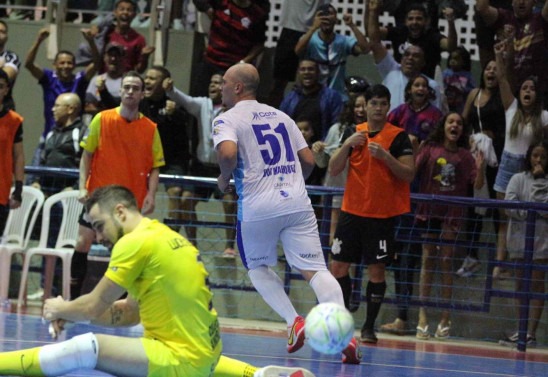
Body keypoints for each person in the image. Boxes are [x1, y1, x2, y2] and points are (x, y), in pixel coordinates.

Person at [0, 185, 316, 377]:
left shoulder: (133, 243)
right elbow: (130, 313)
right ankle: (256, 373)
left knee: (86, 348)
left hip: (180, 360)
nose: (97, 236)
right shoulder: (165, 236)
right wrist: (72, 314)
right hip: (206, 356)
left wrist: (59, 308)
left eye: (99, 226)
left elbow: (95, 303)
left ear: (120, 211)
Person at [212, 63, 361, 364]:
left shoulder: (225, 119)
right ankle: (345, 335)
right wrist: (292, 181)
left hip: (257, 204)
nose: (221, 88)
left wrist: (224, 178)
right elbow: (308, 160)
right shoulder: (283, 116)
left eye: (225, 83)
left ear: (238, 88)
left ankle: (294, 321)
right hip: (296, 201)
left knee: (257, 267)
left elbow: (227, 154)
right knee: (316, 270)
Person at [328, 84, 415, 344]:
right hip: (351, 212)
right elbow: (333, 169)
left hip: (381, 216)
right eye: (373, 103)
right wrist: (346, 146)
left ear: (388, 107)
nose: (377, 108)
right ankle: (344, 320)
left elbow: (409, 174)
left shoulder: (398, 137)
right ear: (364, 106)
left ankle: (368, 327)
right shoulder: (352, 132)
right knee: (338, 266)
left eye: (382, 104)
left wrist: (387, 157)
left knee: (377, 271)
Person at [71, 71, 165, 299]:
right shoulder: (101, 119)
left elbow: (155, 166)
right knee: (82, 242)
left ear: (143, 94)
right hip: (99, 197)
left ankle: (120, 306)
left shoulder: (150, 128)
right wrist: (83, 186)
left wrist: (151, 195)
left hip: (129, 202)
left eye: (135, 88)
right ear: (120, 91)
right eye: (126, 87)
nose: (130, 91)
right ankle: (72, 298)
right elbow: (87, 155)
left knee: (124, 253)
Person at [378, 75, 443, 335]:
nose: (419, 89)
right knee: (390, 258)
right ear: (409, 89)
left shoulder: (436, 116)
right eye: (415, 85)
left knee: (409, 259)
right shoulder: (398, 113)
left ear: (429, 92)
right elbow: (384, 140)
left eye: (424, 86)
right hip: (392, 193)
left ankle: (406, 317)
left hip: (418, 198)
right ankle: (399, 316)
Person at [413, 112, 483, 340]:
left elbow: (477, 183)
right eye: (451, 122)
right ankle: (422, 317)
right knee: (427, 260)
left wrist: (480, 167)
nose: (455, 126)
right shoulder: (430, 149)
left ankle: (445, 318)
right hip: (430, 212)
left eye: (459, 123)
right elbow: (412, 171)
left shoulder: (465, 156)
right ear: (443, 126)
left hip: (452, 216)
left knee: (445, 262)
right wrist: (415, 150)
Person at [164, 73, 238, 258]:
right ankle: (192, 245)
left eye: (218, 83)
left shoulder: (236, 109)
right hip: (202, 167)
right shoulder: (202, 105)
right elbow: (184, 99)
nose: (213, 86)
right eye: (211, 82)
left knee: (230, 203)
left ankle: (229, 246)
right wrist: (170, 89)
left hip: (225, 168)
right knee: (185, 200)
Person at [492, 40, 548, 279]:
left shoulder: (544, 117)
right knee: (505, 219)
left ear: (537, 94)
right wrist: (498, 56)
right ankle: (500, 263)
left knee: (525, 219)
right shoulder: (511, 108)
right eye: (524, 88)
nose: (527, 91)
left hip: (528, 168)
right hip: (507, 165)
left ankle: (522, 262)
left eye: (531, 89)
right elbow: (503, 79)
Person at [458, 59, 506, 278]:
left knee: (497, 207)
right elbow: (463, 120)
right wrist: (469, 139)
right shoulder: (474, 94)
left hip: (497, 157)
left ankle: (501, 260)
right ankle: (471, 256)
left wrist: (495, 136)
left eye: (496, 69)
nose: (491, 72)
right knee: (474, 206)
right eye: (488, 68)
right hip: (476, 155)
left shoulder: (505, 97)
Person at [25, 27, 99, 164]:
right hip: (48, 137)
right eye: (62, 62)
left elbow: (97, 64)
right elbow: (28, 64)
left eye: (70, 63)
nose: (66, 66)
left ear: (75, 65)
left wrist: (91, 42)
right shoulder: (48, 78)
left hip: (73, 140)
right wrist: (39, 40)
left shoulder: (80, 80)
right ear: (54, 65)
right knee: (33, 179)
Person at [500, 141, 548, 347]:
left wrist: (538, 181)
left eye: (543, 157)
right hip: (519, 241)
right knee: (520, 285)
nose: (538, 160)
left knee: (537, 286)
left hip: (541, 242)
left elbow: (544, 209)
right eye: (535, 155)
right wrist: (528, 213)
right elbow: (509, 205)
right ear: (529, 156)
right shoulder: (517, 179)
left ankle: (531, 333)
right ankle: (521, 330)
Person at [140, 66, 191, 234]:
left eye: (152, 79)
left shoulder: (174, 105)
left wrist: (173, 114)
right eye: (146, 77)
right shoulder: (139, 103)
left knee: (176, 191)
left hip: (171, 160)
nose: (147, 81)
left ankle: (171, 234)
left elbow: (186, 124)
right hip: (146, 159)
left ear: (164, 84)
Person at [312, 93, 367, 245]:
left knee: (356, 240)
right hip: (336, 191)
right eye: (357, 106)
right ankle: (333, 269)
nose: (361, 110)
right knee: (334, 239)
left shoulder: (376, 132)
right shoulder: (336, 130)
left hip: (362, 195)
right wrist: (317, 152)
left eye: (364, 106)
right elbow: (323, 164)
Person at [367, 0, 441, 111]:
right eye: (406, 54)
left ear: (423, 62)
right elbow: (374, 41)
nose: (410, 58)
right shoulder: (391, 70)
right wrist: (373, 12)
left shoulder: (431, 85)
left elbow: (435, 117)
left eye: (415, 56)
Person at [476, 0, 548, 107]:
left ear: (534, 2)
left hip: (535, 93)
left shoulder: (541, 21)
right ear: (512, 1)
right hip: (505, 93)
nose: (522, 2)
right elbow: (482, 8)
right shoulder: (503, 18)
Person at [191, 0, 269, 97]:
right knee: (199, 100)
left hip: (232, 69)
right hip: (210, 62)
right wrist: (208, 9)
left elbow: (260, 44)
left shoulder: (257, 14)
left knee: (226, 106)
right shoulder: (221, 3)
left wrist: (243, 62)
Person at [295, 4, 370, 101]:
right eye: (322, 14)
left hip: (338, 97)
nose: (325, 17)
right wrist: (313, 27)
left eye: (330, 14)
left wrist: (352, 25)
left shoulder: (343, 41)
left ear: (336, 19)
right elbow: (298, 51)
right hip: (313, 97)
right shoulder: (311, 40)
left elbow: (365, 49)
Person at [366, 0, 457, 78]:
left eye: (419, 19)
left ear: (426, 21)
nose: (414, 22)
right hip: (401, 80)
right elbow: (372, 35)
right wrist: (372, 11)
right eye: (411, 19)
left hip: (426, 84)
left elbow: (450, 46)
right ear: (405, 21)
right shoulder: (400, 32)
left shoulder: (432, 36)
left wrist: (451, 22)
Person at [267, 0, 330, 107]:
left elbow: (326, 8)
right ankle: (272, 116)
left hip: (312, 32)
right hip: (290, 30)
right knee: (279, 82)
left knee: (312, 80)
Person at [76, 0, 155, 74]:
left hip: (125, 83)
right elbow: (97, 62)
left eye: (129, 10)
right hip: (104, 81)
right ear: (115, 12)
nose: (125, 12)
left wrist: (145, 57)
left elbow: (140, 70)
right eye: (122, 9)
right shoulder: (105, 34)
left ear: (134, 15)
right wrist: (91, 41)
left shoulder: (139, 39)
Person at [280, 59, 343, 140]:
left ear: (318, 73)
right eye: (303, 69)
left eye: (311, 69)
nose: (306, 72)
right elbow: (281, 124)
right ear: (298, 73)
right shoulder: (289, 98)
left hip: (322, 148)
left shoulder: (332, 97)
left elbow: (337, 125)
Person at [0, 69, 24, 234]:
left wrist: (19, 187)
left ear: (6, 89)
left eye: (0, 86)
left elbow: (18, 155)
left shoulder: (14, 120)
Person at [84, 42, 126, 119]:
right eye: (110, 55)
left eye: (117, 55)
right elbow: (88, 106)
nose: (113, 59)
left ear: (123, 58)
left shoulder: (128, 81)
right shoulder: (96, 80)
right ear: (104, 58)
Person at [442, 45, 475, 114]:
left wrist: (462, 89)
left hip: (461, 108)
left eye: (456, 59)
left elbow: (473, 91)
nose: (453, 61)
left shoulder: (467, 75)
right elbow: (441, 87)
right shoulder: (445, 73)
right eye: (451, 58)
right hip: (446, 106)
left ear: (464, 62)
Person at [0, 20, 21, 111]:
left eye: (2, 32)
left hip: (4, 108)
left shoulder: (11, 57)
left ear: (6, 37)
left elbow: (4, 77)